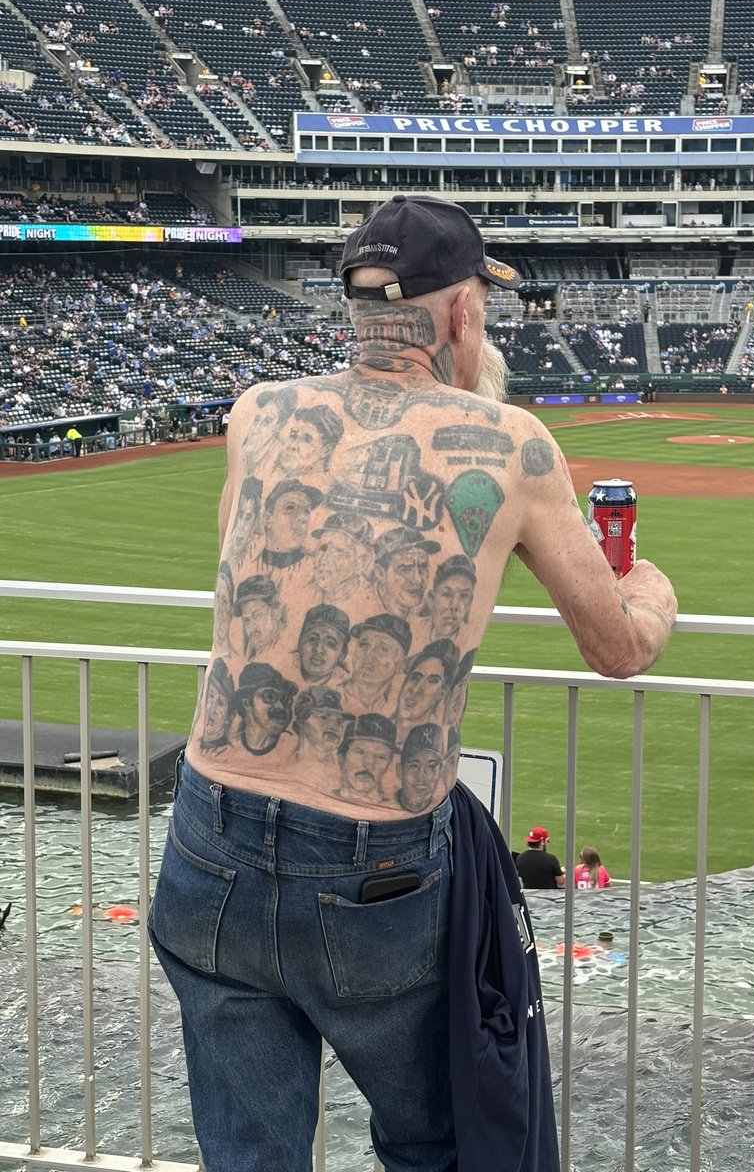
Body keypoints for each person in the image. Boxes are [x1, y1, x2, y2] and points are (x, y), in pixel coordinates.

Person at [148, 193, 676, 1172]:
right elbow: (619, 646)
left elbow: (246, 569)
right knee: (439, 1144)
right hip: (374, 864)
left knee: (248, 1157)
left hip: (208, 831)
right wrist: (651, 588)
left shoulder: (257, 413)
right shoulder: (513, 442)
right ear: (463, 311)